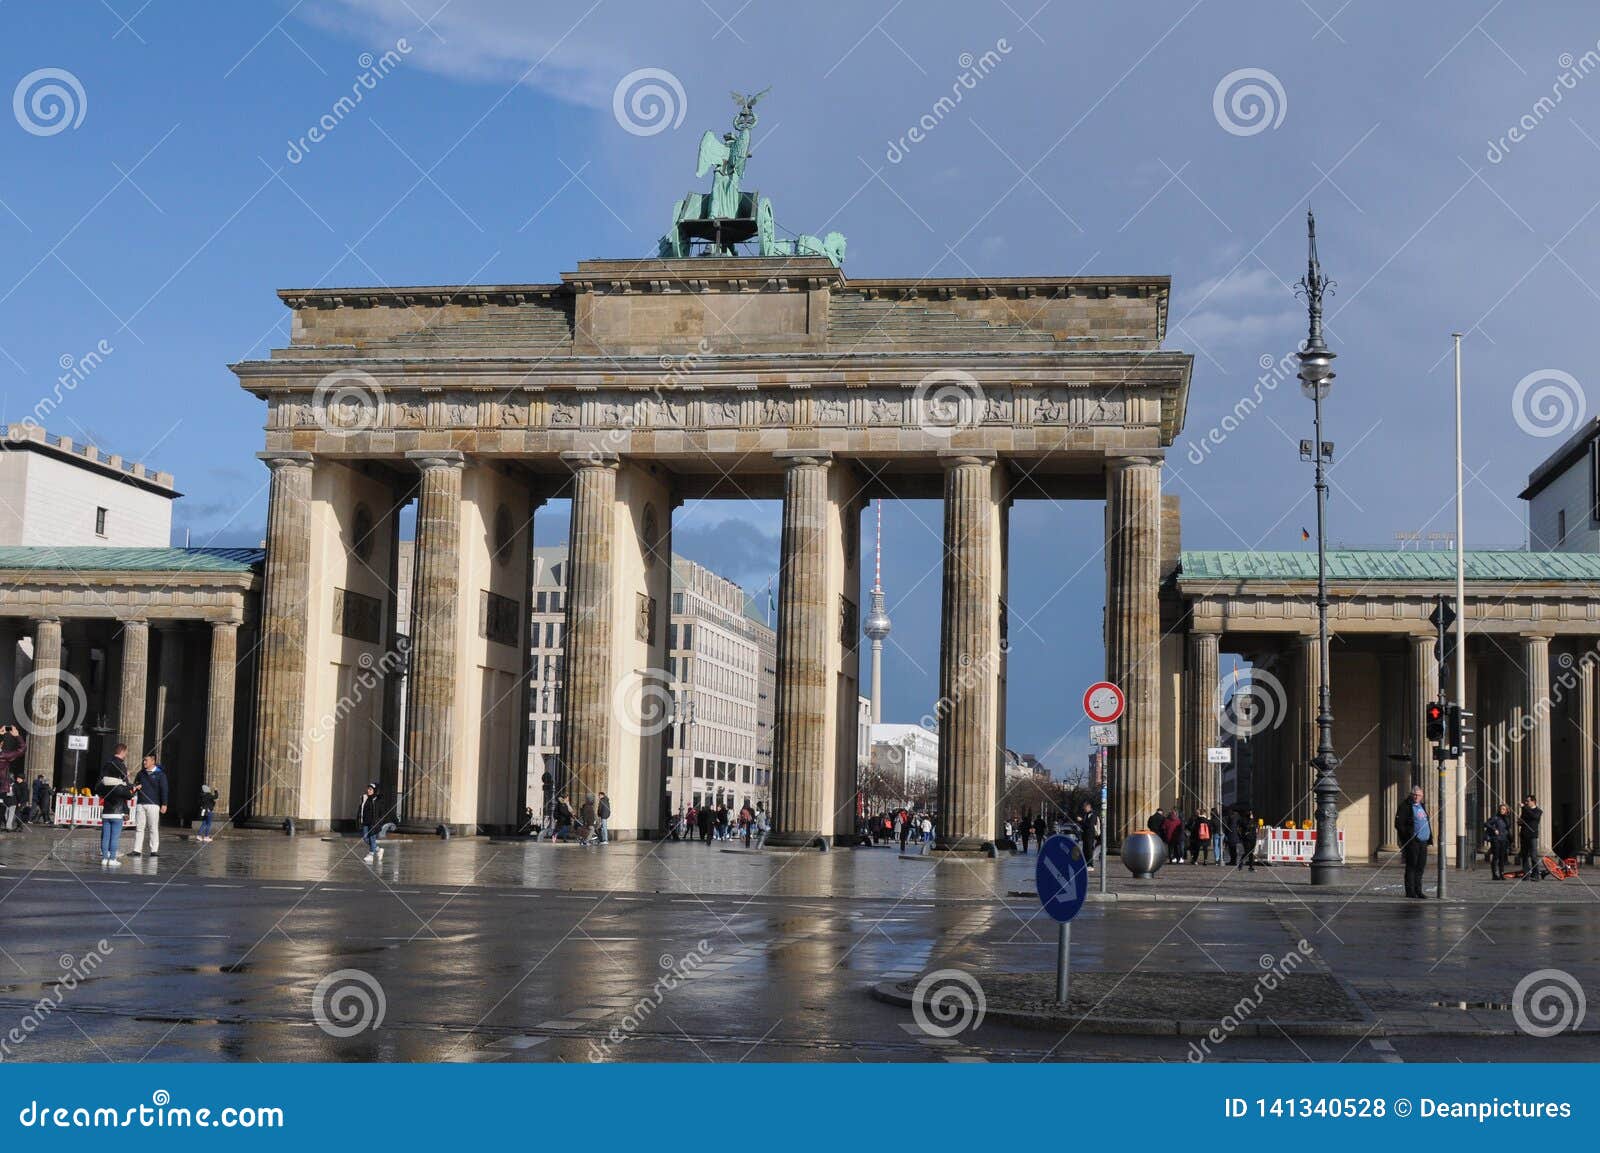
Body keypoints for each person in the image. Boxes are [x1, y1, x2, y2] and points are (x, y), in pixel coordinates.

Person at [97, 744, 133, 866]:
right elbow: (129, 795)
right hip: (117, 813)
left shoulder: (105, 782)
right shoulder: (120, 785)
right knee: (114, 837)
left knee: (106, 836)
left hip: (106, 813)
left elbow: (99, 790)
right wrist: (130, 783)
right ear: (123, 751)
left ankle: (104, 858)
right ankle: (112, 859)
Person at [1394, 785, 1431, 899]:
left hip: (1423, 841)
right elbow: (1399, 824)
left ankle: (1418, 890)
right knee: (1412, 866)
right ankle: (1410, 891)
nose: (1416, 797)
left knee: (1420, 866)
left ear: (1422, 796)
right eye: (1414, 794)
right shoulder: (1405, 806)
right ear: (1411, 795)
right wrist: (1409, 836)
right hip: (1413, 841)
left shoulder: (1421, 806)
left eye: (1419, 795)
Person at [130, 753, 168, 857]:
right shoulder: (140, 773)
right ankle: (137, 850)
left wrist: (164, 804)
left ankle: (154, 850)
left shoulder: (160, 774)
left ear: (153, 761)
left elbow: (164, 790)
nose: (144, 762)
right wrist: (134, 788)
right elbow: (134, 786)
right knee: (139, 827)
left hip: (153, 804)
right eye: (144, 760)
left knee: (153, 828)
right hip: (140, 803)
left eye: (146, 760)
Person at [1484, 803, 1513, 881]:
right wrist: (1494, 829)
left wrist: (1510, 839)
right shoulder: (1495, 818)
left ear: (1507, 810)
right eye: (1501, 809)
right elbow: (1486, 823)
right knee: (1496, 857)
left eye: (1503, 809)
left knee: (1502, 858)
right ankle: (1494, 874)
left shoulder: (1507, 819)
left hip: (1504, 839)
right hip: (1496, 839)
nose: (1502, 810)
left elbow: (1507, 829)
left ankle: (1502, 874)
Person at [1518, 795, 1544, 881]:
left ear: (1533, 801)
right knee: (1524, 855)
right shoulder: (1526, 810)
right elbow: (1522, 820)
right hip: (1524, 835)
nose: (1526, 802)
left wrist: (1524, 808)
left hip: (1532, 836)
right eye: (1525, 801)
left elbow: (1534, 817)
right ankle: (1526, 874)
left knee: (1533, 856)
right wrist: (1520, 822)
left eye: (1527, 801)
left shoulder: (1538, 811)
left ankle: (1536, 875)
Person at [357, 782, 383, 863]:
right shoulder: (364, 798)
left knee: (372, 838)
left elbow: (381, 812)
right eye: (368, 789)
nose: (368, 790)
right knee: (365, 838)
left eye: (370, 789)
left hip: (374, 822)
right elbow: (361, 810)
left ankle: (371, 854)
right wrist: (359, 819)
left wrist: (379, 821)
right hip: (365, 822)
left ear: (374, 790)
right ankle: (378, 849)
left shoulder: (378, 800)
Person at [1078, 801, 1100, 870]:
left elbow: (1090, 825)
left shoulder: (1093, 814)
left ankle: (1090, 865)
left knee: (1089, 850)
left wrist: (1081, 821)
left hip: (1090, 834)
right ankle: (1086, 864)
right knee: (1085, 849)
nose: (1084, 809)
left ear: (1088, 807)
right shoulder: (1086, 814)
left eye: (1085, 807)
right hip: (1085, 834)